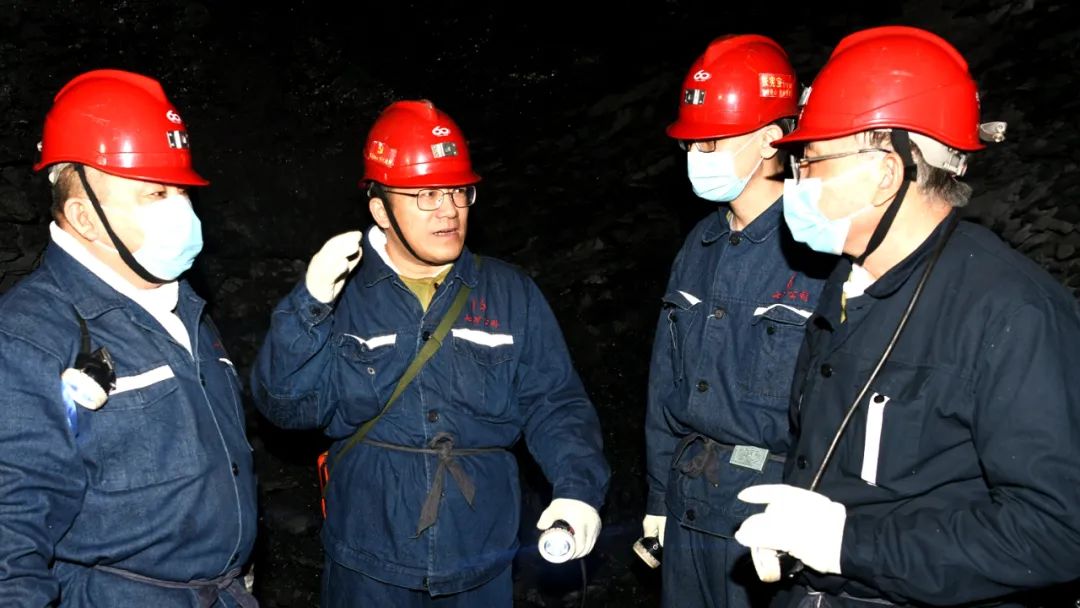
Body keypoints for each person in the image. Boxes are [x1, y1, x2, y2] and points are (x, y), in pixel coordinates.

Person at [733, 25, 1080, 607]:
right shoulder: (847, 282)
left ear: (885, 174)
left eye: (810, 162)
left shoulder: (1012, 314)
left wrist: (851, 546)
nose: (794, 181)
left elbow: (1059, 530)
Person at [249, 99, 610, 607]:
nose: (449, 209)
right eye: (426, 194)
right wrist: (307, 307)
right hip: (369, 562)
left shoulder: (509, 293)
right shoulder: (341, 294)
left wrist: (577, 489)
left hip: (480, 558)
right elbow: (286, 408)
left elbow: (555, 402)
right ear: (381, 209)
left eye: (459, 191)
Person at [0, 69, 258, 606]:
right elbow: (10, 544)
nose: (181, 210)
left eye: (181, 190)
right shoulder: (30, 338)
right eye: (155, 193)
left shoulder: (185, 307)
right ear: (85, 218)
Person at [643, 34, 835, 608]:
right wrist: (657, 498)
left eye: (712, 140)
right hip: (689, 502)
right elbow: (664, 385)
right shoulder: (698, 245)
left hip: (771, 513)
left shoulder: (821, 246)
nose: (695, 154)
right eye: (691, 142)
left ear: (772, 138)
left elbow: (836, 406)